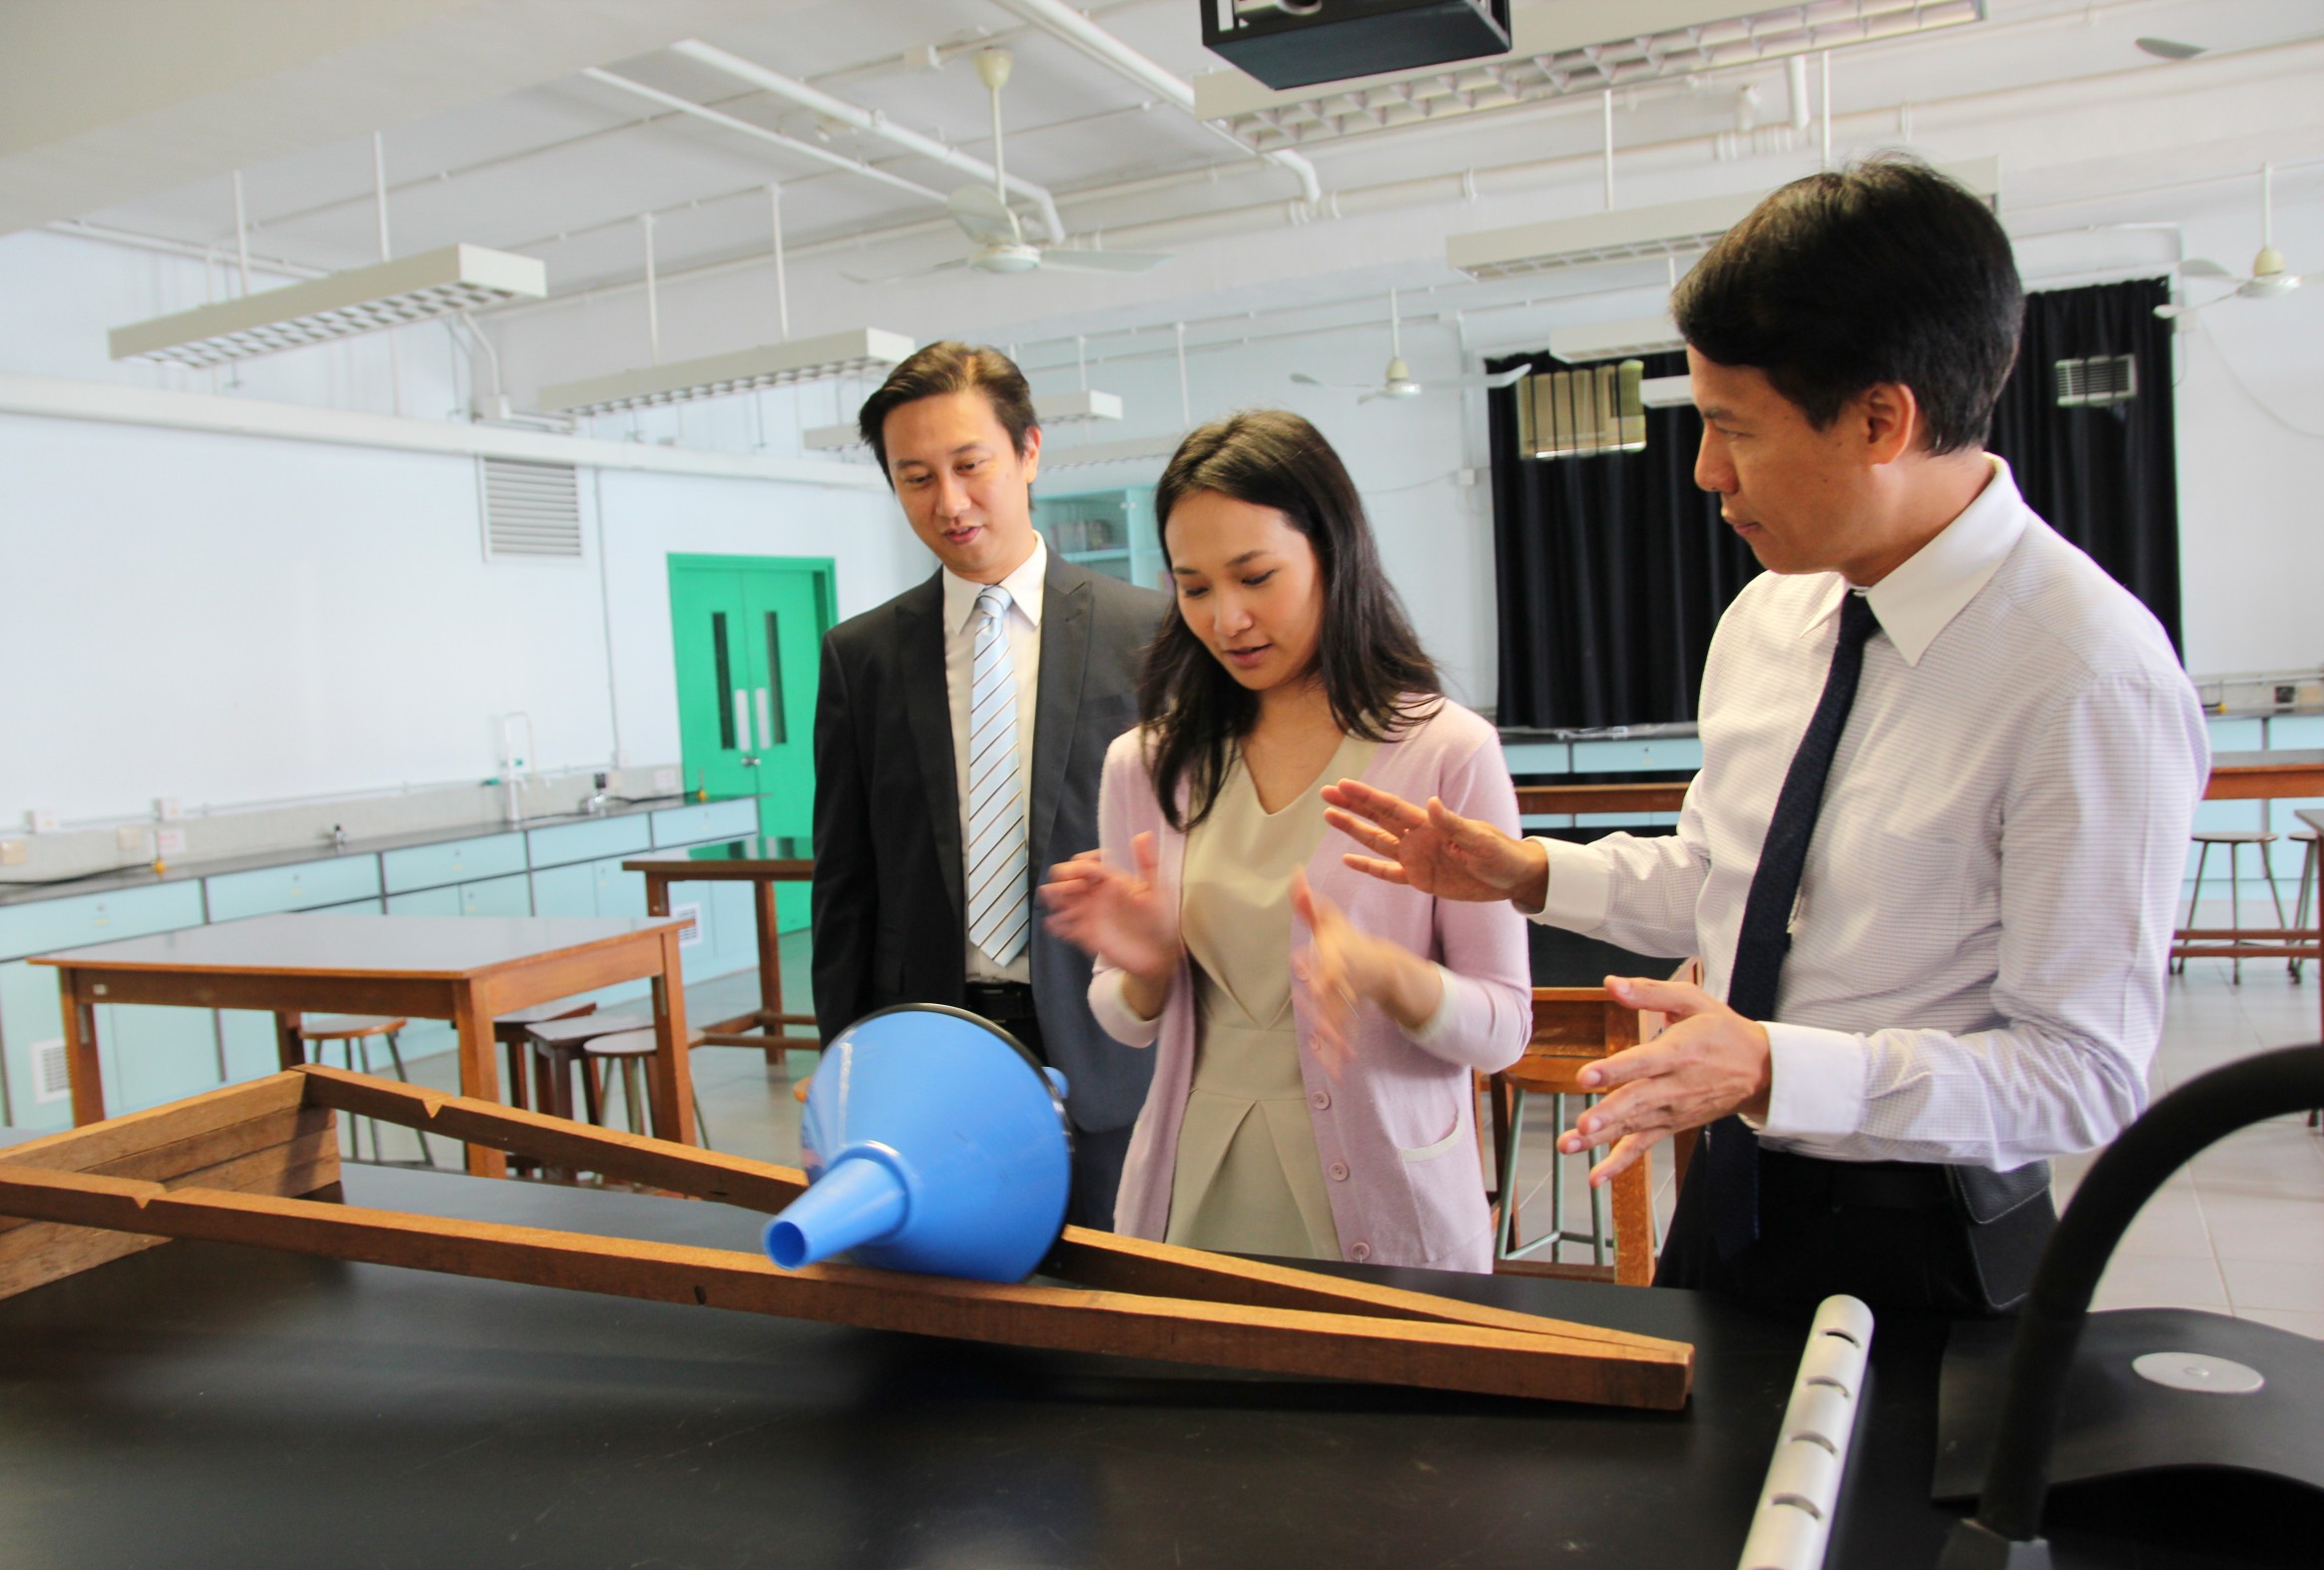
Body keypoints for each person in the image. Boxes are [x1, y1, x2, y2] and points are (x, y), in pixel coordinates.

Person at [1326, 158, 2209, 1313]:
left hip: (1928, 1235)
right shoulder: (1770, 616)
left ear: (1882, 419)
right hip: (1734, 1190)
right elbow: (1725, 879)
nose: (1706, 472)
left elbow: (2082, 1074)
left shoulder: (2087, 676)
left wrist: (1776, 1065)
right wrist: (1526, 873)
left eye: (1733, 428)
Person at [1039, 410, 1531, 1272]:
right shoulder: (1146, 765)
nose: (1226, 618)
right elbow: (1122, 1018)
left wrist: (1387, 975)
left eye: (1255, 577)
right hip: (1193, 1195)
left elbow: (1504, 1030)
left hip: (1391, 1199)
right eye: (1194, 588)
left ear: (1333, 553)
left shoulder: (1445, 752)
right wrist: (1148, 968)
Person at [811, 341, 1171, 1230]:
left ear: (1029, 451)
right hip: (927, 1046)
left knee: (1118, 1290)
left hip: (1108, 1038)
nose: (950, 501)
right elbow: (845, 886)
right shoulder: (862, 657)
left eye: (970, 465)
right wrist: (842, 1067)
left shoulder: (1149, 634)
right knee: (949, 1289)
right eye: (916, 478)